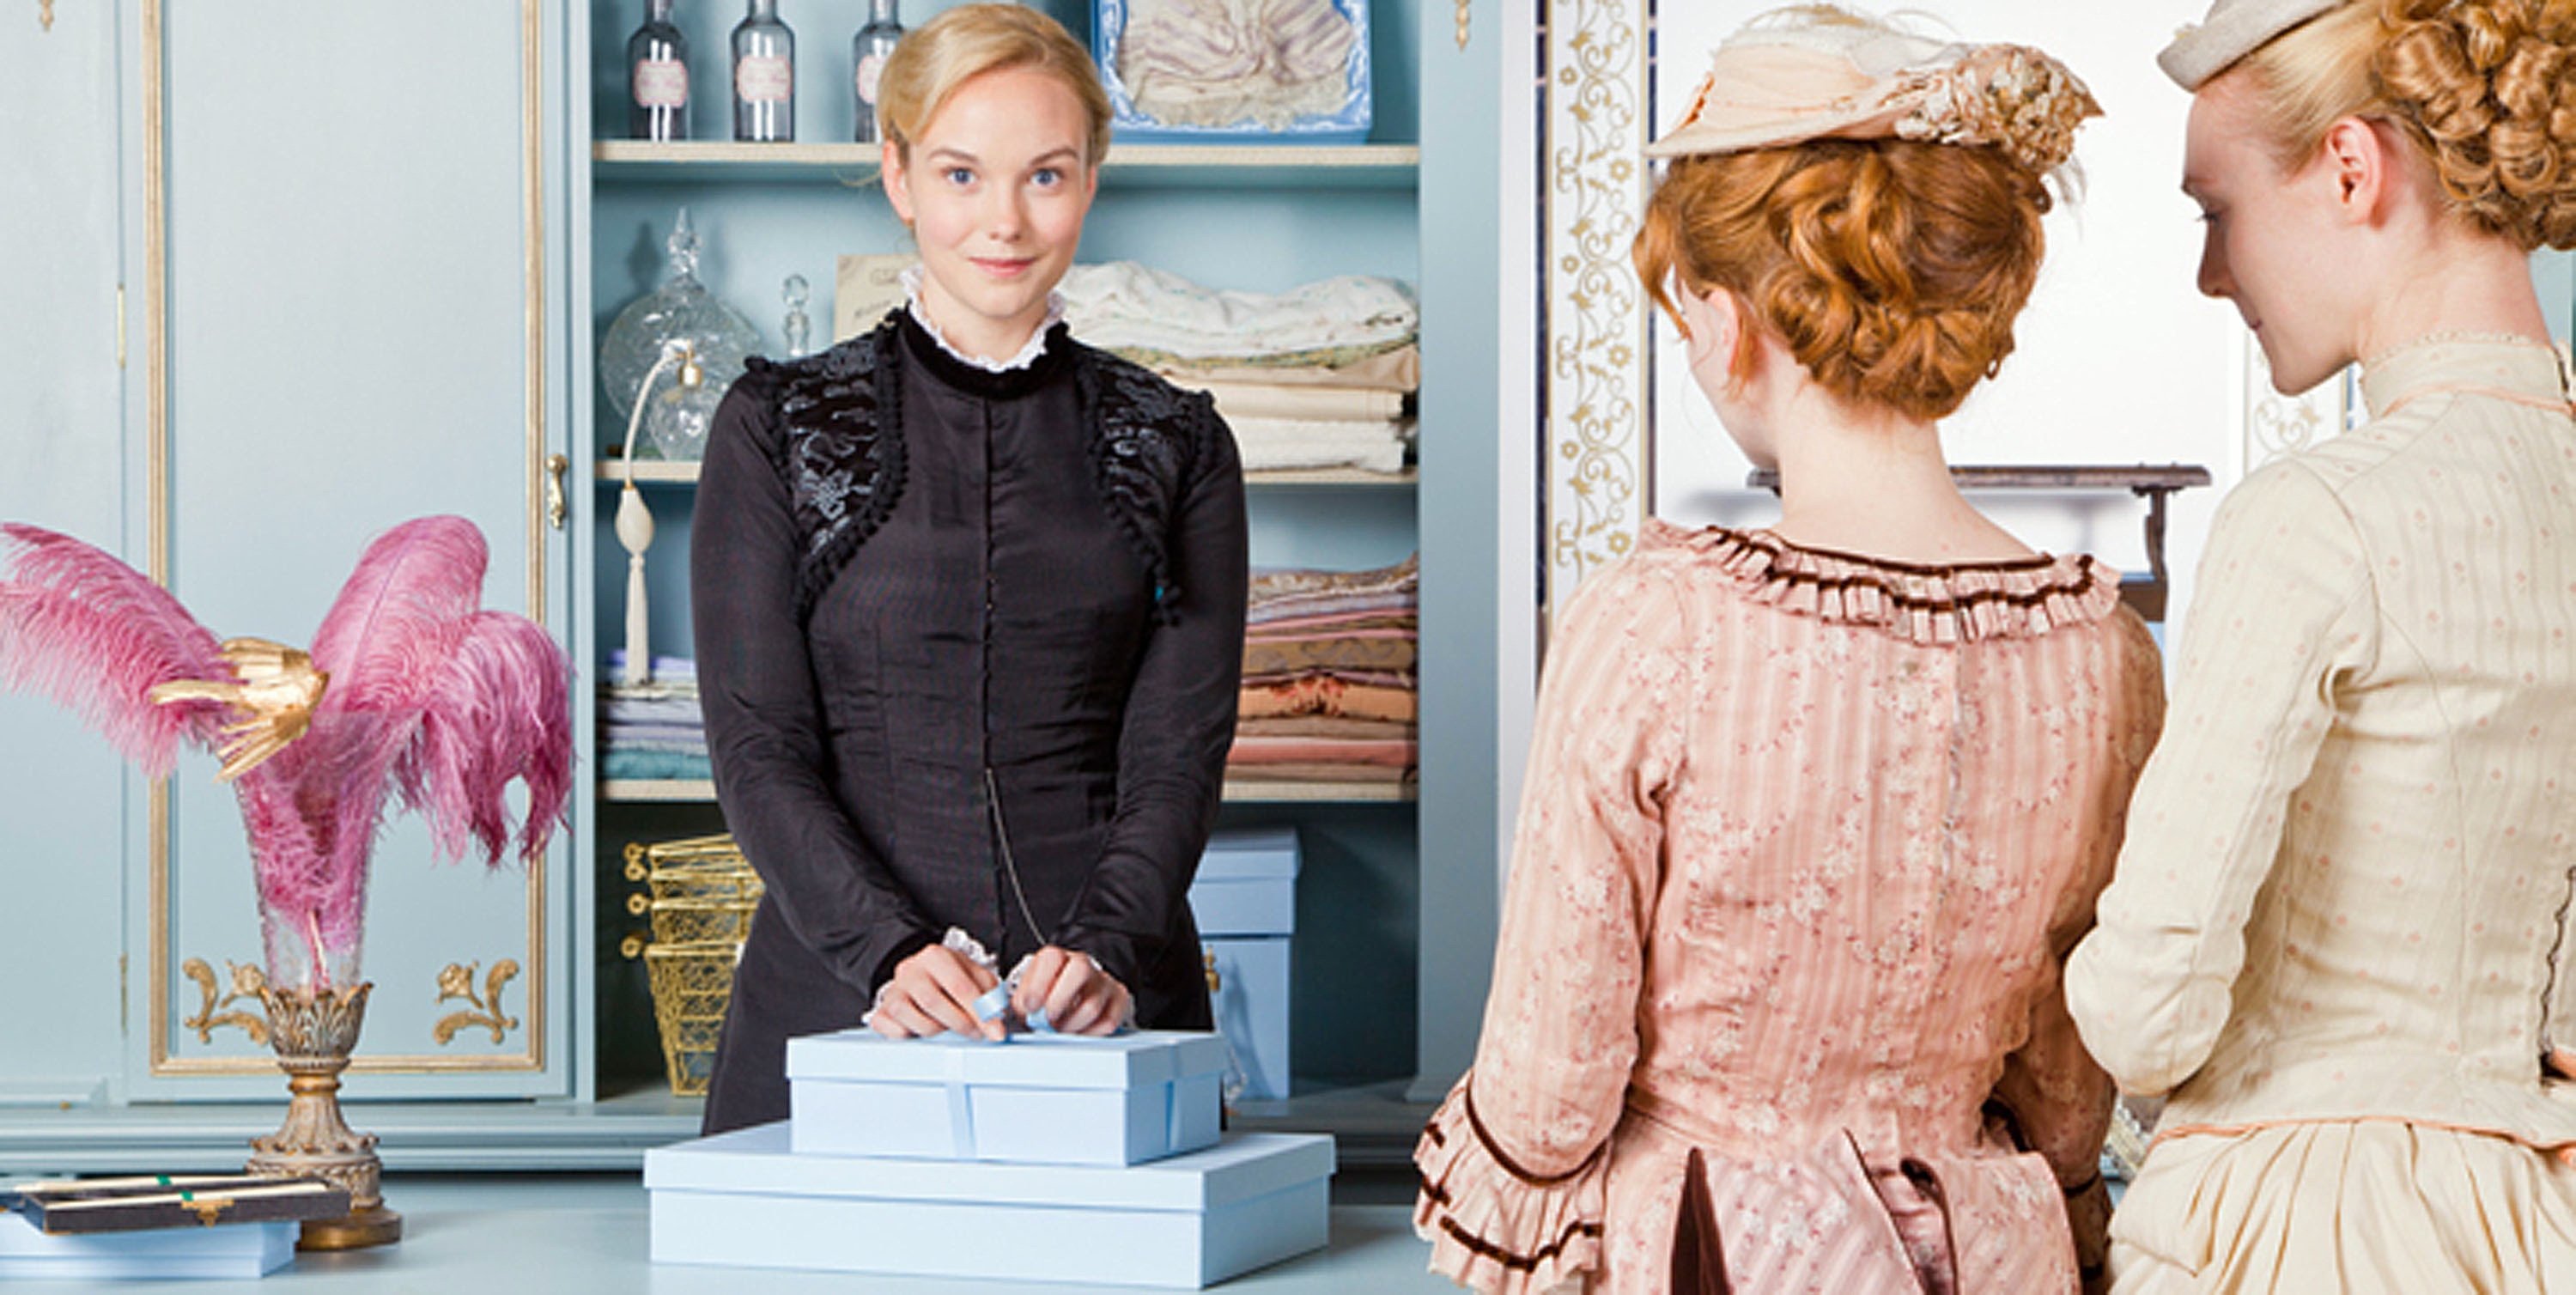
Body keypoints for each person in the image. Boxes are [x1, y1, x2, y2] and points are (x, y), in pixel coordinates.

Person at [1413, 8, 2164, 1292]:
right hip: (1995, 1249)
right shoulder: (2102, 649)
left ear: (1729, 323)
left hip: (1722, 1245)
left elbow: (1548, 1089)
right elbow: (2065, 1091)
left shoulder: (1657, 624)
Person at [2063, 1, 2576, 1289]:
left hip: (2314, 1219)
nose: (2212, 274)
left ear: (2352, 168)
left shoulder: (2318, 515)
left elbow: (2149, 1005)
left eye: (2217, 211)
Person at [689, 2, 1246, 1135]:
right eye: (960, 174)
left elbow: (1177, 758)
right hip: (836, 1003)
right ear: (897, 176)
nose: (1005, 220)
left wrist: (1106, 947)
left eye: (1045, 176)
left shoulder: (1180, 441)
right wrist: (886, 951)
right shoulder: (773, 426)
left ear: (1089, 182)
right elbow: (759, 749)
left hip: (1106, 1009)